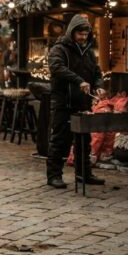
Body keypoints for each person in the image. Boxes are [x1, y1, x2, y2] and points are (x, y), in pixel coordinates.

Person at [46, 15, 106, 189]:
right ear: (72, 32)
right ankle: (54, 176)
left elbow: (96, 72)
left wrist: (99, 86)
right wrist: (79, 81)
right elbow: (57, 68)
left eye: (85, 34)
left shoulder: (88, 51)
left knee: (83, 140)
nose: (83, 37)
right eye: (80, 34)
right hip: (63, 102)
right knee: (59, 140)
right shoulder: (59, 49)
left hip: (83, 102)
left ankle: (83, 174)